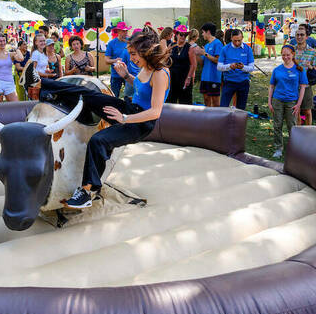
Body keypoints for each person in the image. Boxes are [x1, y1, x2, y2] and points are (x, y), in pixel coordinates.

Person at [33, 27, 170, 209]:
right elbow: (141, 88)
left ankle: (87, 191)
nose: (132, 58)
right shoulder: (144, 68)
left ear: (145, 51)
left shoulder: (160, 74)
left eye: (134, 54)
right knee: (88, 94)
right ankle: (41, 85)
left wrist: (124, 118)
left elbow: (155, 112)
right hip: (130, 109)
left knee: (99, 141)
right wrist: (127, 76)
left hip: (141, 122)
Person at [268, 45, 308, 158]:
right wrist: (269, 102)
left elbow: (303, 88)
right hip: (277, 100)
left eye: (288, 55)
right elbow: (271, 86)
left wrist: (298, 104)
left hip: (292, 102)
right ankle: (278, 148)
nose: (285, 57)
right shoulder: (277, 70)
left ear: (293, 54)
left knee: (292, 126)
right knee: (277, 125)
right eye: (283, 55)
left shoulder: (299, 69)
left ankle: (294, 149)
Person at [218, 29, 254, 110]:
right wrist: (229, 66)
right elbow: (219, 67)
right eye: (235, 41)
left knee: (241, 109)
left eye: (239, 40)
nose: (237, 43)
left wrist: (243, 67)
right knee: (223, 107)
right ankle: (223, 122)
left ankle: (238, 122)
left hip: (243, 82)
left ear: (242, 38)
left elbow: (251, 68)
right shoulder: (225, 49)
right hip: (229, 82)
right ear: (231, 38)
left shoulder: (248, 49)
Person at [293, 29, 316, 125]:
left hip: (306, 84)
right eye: (297, 35)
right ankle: (298, 131)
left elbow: (315, 68)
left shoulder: (313, 52)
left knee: (307, 111)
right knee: (296, 110)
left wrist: (310, 67)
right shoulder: (291, 50)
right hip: (293, 83)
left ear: (306, 37)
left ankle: (308, 132)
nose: (299, 37)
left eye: (302, 35)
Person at [167, 25, 197, 104]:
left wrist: (189, 78)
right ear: (176, 35)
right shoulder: (171, 46)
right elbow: (166, 61)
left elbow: (193, 65)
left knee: (185, 103)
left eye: (185, 35)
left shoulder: (189, 48)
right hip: (173, 77)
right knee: (171, 101)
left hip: (184, 78)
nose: (183, 37)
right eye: (181, 34)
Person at [199, 22, 223, 107]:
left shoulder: (218, 43)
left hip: (214, 77)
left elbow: (218, 60)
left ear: (208, 32)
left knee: (215, 101)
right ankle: (207, 118)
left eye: (203, 32)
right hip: (205, 77)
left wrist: (205, 54)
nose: (202, 34)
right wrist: (196, 54)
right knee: (206, 99)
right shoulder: (206, 45)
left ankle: (216, 119)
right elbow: (202, 63)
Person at [104, 22, 131, 97]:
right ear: (118, 31)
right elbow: (106, 60)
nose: (125, 33)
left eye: (126, 31)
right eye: (123, 31)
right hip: (116, 75)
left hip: (129, 74)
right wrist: (114, 60)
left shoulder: (131, 41)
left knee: (129, 97)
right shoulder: (112, 43)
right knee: (114, 96)